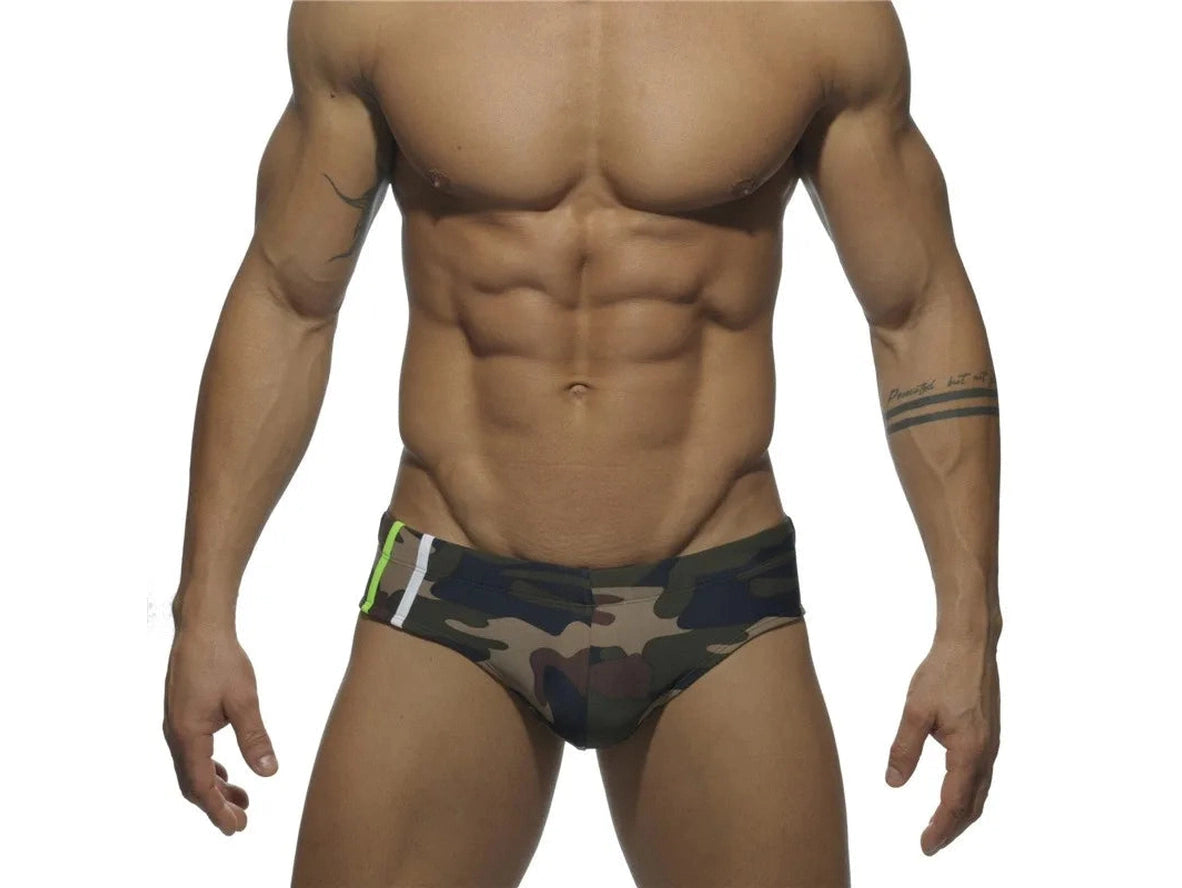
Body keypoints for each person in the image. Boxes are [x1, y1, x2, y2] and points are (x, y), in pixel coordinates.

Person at [162, 2, 1001, 885]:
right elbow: (289, 299)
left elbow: (916, 309)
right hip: (453, 585)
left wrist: (969, 630)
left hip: (717, 596)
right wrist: (203, 612)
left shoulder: (813, 17)